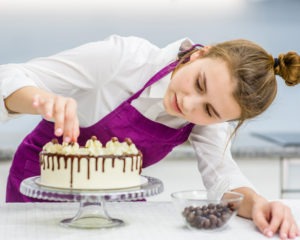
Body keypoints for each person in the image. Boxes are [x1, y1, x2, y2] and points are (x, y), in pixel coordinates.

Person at [1, 35, 299, 239]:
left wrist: (259, 203)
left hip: (116, 206)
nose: (190, 103)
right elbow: (11, 76)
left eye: (209, 111)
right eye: (198, 83)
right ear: (199, 53)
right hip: (39, 195)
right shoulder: (122, 59)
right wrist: (42, 100)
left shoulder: (209, 118)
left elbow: (223, 177)